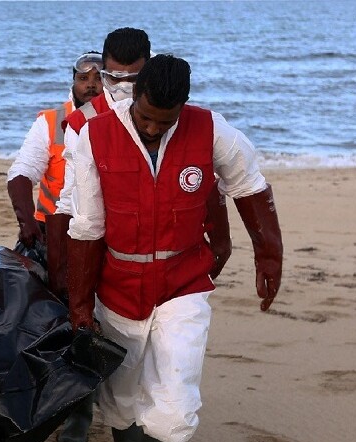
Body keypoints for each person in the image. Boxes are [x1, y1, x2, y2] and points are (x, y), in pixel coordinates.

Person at [66, 54, 282, 442]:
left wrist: (268, 255)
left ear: (183, 107)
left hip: (184, 283)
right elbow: (86, 227)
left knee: (173, 400)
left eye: (165, 122)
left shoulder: (211, 130)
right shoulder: (93, 136)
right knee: (120, 397)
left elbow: (249, 184)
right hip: (117, 285)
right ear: (135, 94)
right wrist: (80, 307)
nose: (153, 128)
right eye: (145, 117)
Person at [58, 28, 232, 284]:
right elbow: (71, 199)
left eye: (134, 77)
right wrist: (67, 275)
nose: (124, 86)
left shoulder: (168, 108)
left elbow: (201, 178)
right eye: (115, 78)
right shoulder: (83, 122)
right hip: (111, 252)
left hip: (171, 253)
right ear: (104, 71)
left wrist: (220, 240)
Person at [4, 50, 102, 442]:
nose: (91, 85)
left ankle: (82, 410)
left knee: (87, 320)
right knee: (29, 316)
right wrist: (27, 224)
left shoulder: (121, 121)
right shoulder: (51, 122)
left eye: (99, 78)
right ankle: (39, 396)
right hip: (49, 235)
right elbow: (21, 173)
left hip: (96, 237)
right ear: (73, 81)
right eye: (84, 78)